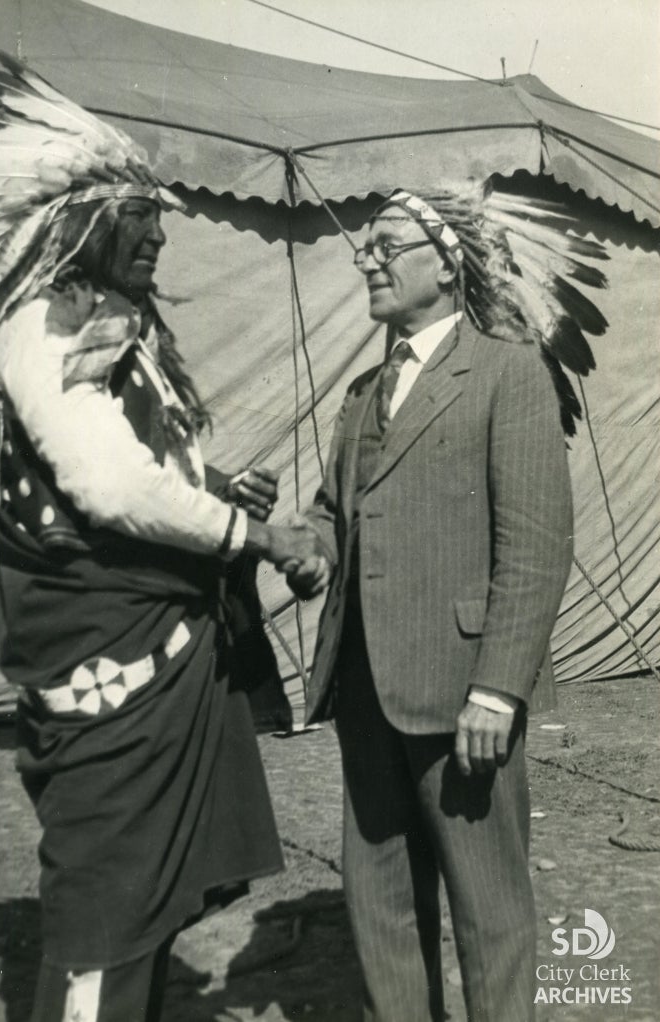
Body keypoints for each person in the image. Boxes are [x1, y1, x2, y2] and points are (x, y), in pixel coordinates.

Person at [0, 53, 317, 1022]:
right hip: (112, 659)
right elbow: (104, 485)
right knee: (108, 899)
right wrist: (248, 529)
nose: (156, 235)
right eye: (135, 217)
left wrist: (209, 485)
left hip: (154, 648)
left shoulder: (115, 323)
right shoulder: (45, 323)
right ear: (76, 223)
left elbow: (123, 466)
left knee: (142, 890)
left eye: (159, 217)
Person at [287, 186, 580, 1022]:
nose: (366, 259)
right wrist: (307, 552)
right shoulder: (357, 398)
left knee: (490, 916)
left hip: (463, 698)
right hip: (364, 693)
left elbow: (534, 546)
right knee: (380, 910)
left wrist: (498, 689)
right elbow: (333, 514)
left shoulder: (507, 372)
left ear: (447, 262)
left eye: (387, 245)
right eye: (363, 248)